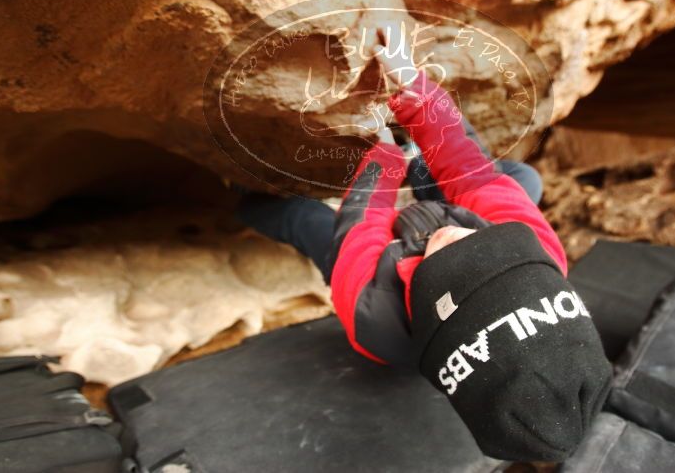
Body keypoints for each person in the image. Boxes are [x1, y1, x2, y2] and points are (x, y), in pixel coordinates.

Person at [238, 27, 612, 462]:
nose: (461, 239)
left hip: (381, 266)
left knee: (304, 220)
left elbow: (362, 221)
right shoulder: (537, 252)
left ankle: (239, 198)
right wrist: (411, 83)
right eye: (494, 248)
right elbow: (470, 167)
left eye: (456, 266)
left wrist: (382, 155)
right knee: (522, 180)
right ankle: (419, 162)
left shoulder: (375, 318)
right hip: (437, 228)